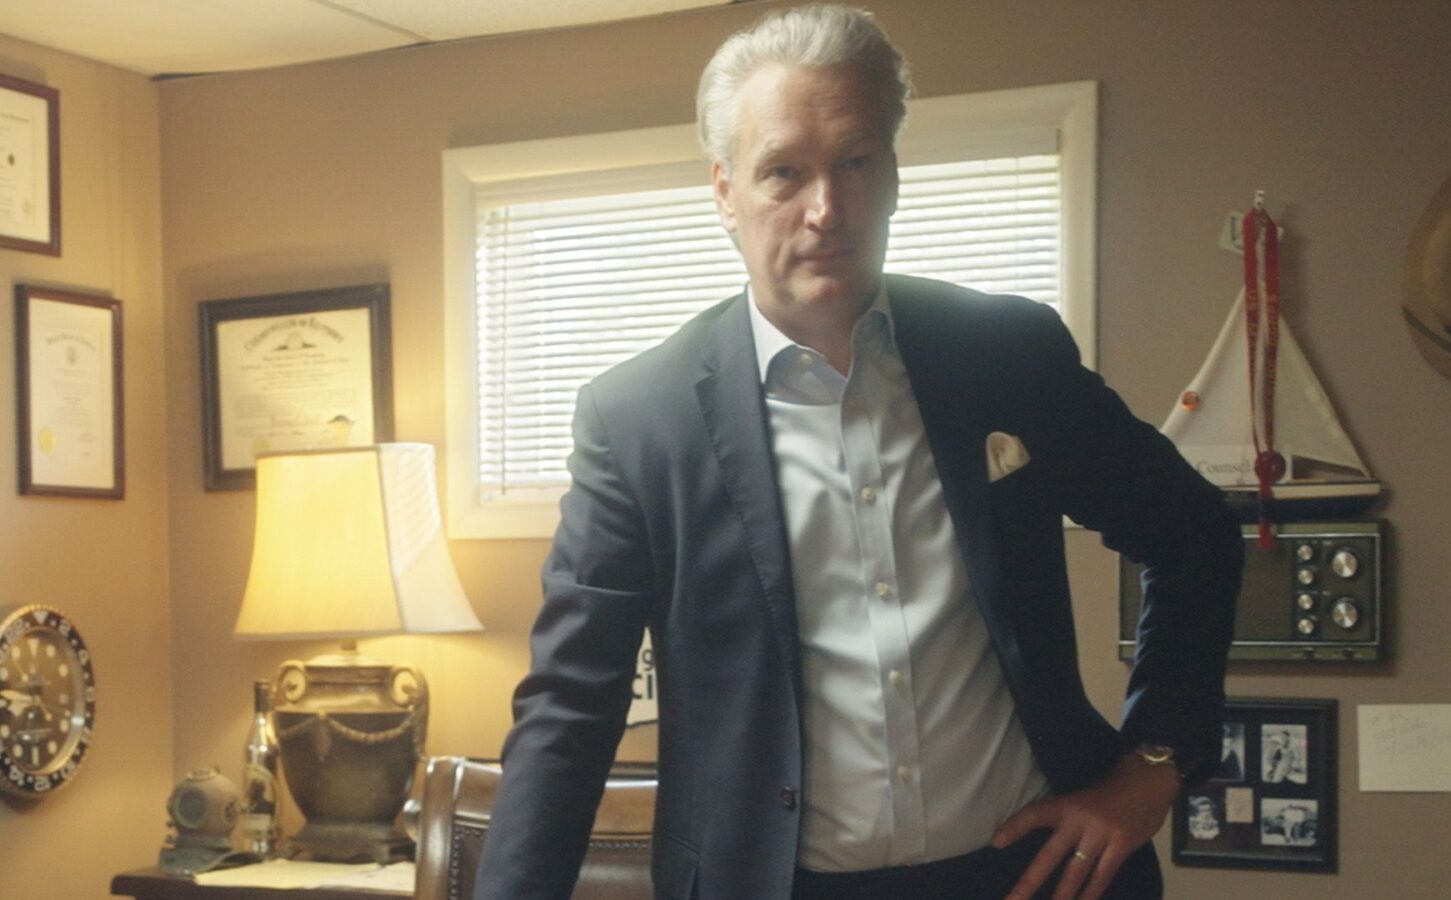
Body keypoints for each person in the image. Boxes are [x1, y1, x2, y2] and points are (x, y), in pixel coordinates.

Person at [473, 6, 1241, 900]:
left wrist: (1153, 765)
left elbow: (1193, 532)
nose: (826, 210)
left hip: (1033, 874)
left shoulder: (1007, 353)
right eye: (783, 172)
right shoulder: (638, 419)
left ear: (895, 173)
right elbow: (571, 707)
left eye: (856, 162)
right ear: (724, 191)